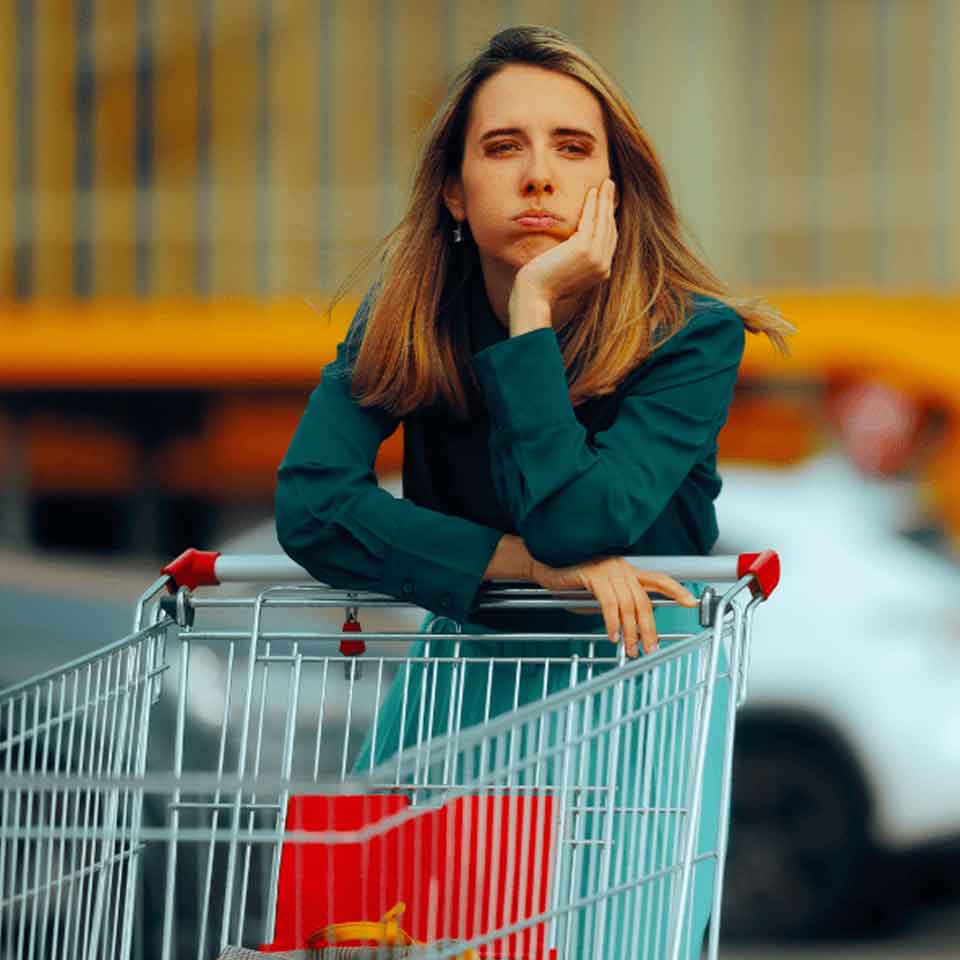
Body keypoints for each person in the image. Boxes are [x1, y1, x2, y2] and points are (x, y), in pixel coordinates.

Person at [275, 24, 793, 959]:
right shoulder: (407, 316)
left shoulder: (691, 335)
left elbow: (581, 522)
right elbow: (313, 502)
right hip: (465, 678)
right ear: (453, 191)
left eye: (573, 147)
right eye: (503, 146)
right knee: (399, 939)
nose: (539, 176)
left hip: (636, 686)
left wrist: (528, 319)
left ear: (614, 187)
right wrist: (510, 565)